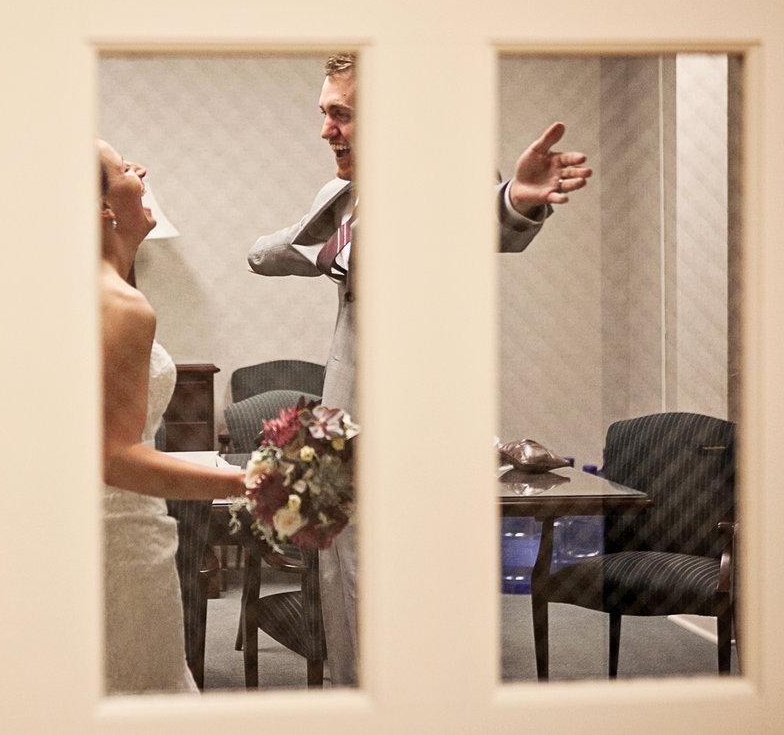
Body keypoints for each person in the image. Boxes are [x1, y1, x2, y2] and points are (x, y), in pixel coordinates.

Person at [246, 53, 592, 687]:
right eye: (324, 114)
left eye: (340, 115)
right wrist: (328, 245)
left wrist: (515, 197)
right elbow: (270, 254)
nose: (326, 131)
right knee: (345, 587)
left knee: (416, 596)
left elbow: (489, 217)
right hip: (343, 429)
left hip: (421, 434)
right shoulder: (340, 196)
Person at [99, 139, 246, 694]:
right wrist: (247, 481)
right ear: (103, 207)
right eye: (121, 167)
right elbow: (115, 458)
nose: (140, 169)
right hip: (121, 537)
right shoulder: (120, 305)